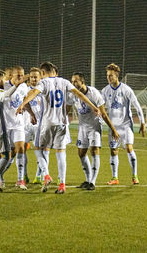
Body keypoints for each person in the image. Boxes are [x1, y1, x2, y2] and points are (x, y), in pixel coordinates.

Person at [16, 62, 101, 194]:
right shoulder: (64, 82)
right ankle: (62, 184)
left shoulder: (44, 83)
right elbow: (79, 94)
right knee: (61, 153)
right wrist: (93, 106)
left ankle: (46, 175)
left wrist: (23, 104)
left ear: (43, 73)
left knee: (38, 148)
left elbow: (33, 92)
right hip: (61, 123)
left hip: (47, 123)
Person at [71, 72, 119, 190]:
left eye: (75, 81)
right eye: (72, 81)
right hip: (82, 127)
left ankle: (92, 182)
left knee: (94, 150)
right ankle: (87, 180)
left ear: (82, 82)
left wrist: (113, 129)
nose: (73, 83)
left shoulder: (94, 93)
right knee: (81, 153)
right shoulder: (73, 94)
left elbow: (103, 113)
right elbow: (67, 107)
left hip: (94, 125)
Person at [101, 63, 146, 185]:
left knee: (129, 148)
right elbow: (100, 108)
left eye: (110, 75)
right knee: (113, 151)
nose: (108, 78)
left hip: (126, 125)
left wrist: (142, 122)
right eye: (107, 75)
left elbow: (137, 106)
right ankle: (115, 178)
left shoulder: (126, 89)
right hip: (113, 127)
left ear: (116, 76)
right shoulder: (105, 91)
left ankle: (134, 176)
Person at [0, 66, 34, 190]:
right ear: (12, 75)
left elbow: (25, 101)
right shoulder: (3, 86)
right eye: (18, 75)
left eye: (22, 75)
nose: (20, 77)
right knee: (6, 154)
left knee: (20, 150)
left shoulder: (24, 87)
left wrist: (31, 114)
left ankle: (20, 180)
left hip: (18, 124)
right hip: (5, 125)